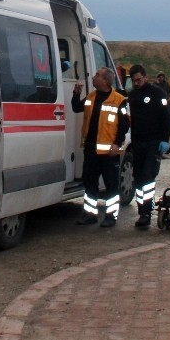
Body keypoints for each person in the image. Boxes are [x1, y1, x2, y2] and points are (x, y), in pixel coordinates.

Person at [70, 67, 130, 227]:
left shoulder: (119, 100)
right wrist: (76, 94)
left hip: (109, 153)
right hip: (91, 150)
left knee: (111, 186)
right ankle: (90, 215)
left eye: (97, 75)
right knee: (90, 183)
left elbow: (124, 125)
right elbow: (76, 108)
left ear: (105, 81)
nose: (93, 77)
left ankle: (110, 217)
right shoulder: (91, 96)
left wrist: (117, 143)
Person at [126, 65, 170, 228]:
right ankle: (142, 211)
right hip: (138, 142)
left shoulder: (157, 93)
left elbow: (166, 117)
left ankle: (147, 212)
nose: (136, 83)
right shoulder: (132, 95)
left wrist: (165, 139)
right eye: (134, 81)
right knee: (138, 178)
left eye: (139, 80)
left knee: (148, 176)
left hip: (154, 142)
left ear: (145, 77)